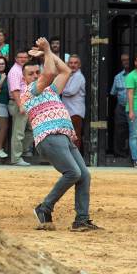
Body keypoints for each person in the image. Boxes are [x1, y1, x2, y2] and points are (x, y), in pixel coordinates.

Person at [22, 37, 101, 232]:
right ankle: (44, 207)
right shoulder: (30, 91)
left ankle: (81, 219)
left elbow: (65, 70)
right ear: (25, 78)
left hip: (63, 136)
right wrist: (47, 49)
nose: (34, 75)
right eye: (29, 74)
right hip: (48, 136)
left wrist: (48, 53)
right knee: (73, 172)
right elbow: (49, 72)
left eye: (35, 72)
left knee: (84, 175)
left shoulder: (50, 90)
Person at [8, 49, 34, 166]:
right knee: (18, 132)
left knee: (32, 129)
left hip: (27, 103)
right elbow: (15, 90)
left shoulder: (24, 70)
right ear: (16, 59)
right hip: (19, 103)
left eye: (25, 57)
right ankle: (16, 158)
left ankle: (19, 152)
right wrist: (20, 105)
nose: (23, 59)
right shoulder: (15, 71)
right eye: (20, 57)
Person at [62, 54, 86, 151]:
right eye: (71, 63)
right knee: (69, 135)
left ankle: (76, 157)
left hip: (75, 111)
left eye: (75, 63)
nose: (73, 65)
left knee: (75, 135)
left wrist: (59, 89)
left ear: (79, 65)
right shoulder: (70, 75)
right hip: (69, 111)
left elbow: (71, 91)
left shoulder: (78, 76)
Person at [110, 53, 130, 157]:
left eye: (128, 59)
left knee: (135, 130)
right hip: (121, 106)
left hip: (134, 107)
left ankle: (134, 152)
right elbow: (113, 93)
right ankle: (119, 153)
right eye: (123, 60)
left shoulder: (136, 75)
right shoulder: (117, 77)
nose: (126, 62)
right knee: (119, 130)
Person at [0, 56, 10, 159]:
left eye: (2, 64)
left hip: (5, 104)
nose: (0, 65)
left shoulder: (7, 75)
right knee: (3, 127)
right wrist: (3, 78)